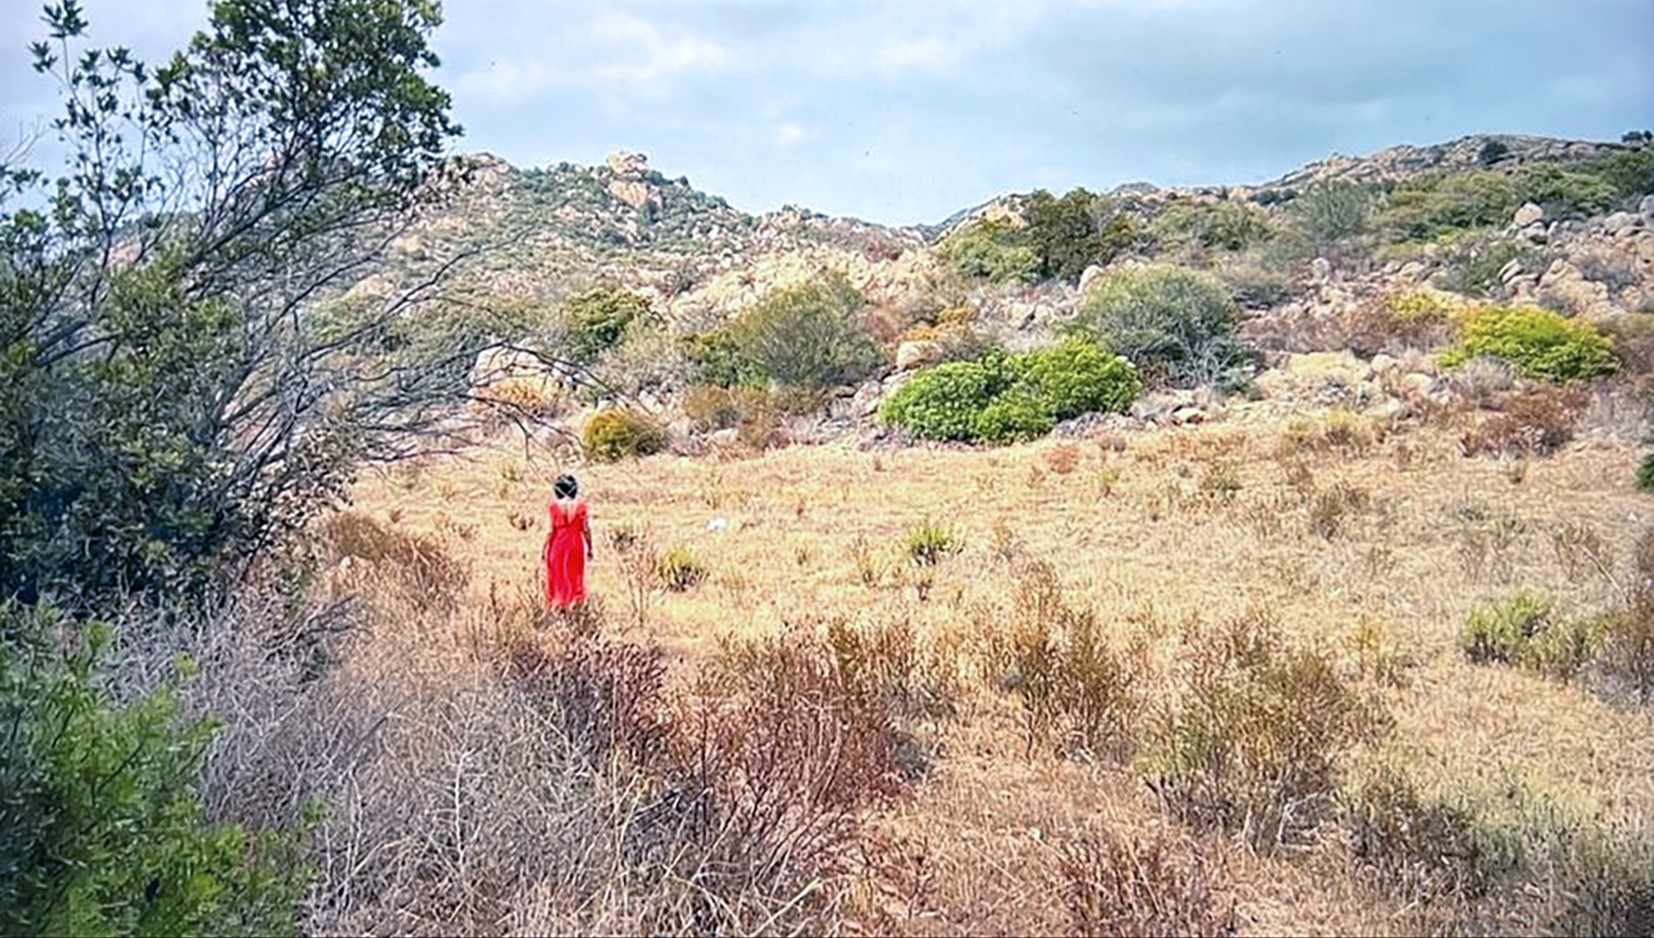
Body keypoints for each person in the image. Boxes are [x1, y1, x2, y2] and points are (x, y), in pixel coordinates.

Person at [543, 474, 593, 609]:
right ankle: (575, 604)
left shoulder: (553, 507)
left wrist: (544, 549)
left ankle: (559, 605)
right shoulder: (581, 507)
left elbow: (550, 531)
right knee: (574, 574)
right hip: (575, 543)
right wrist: (590, 548)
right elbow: (586, 530)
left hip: (558, 543)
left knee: (558, 574)